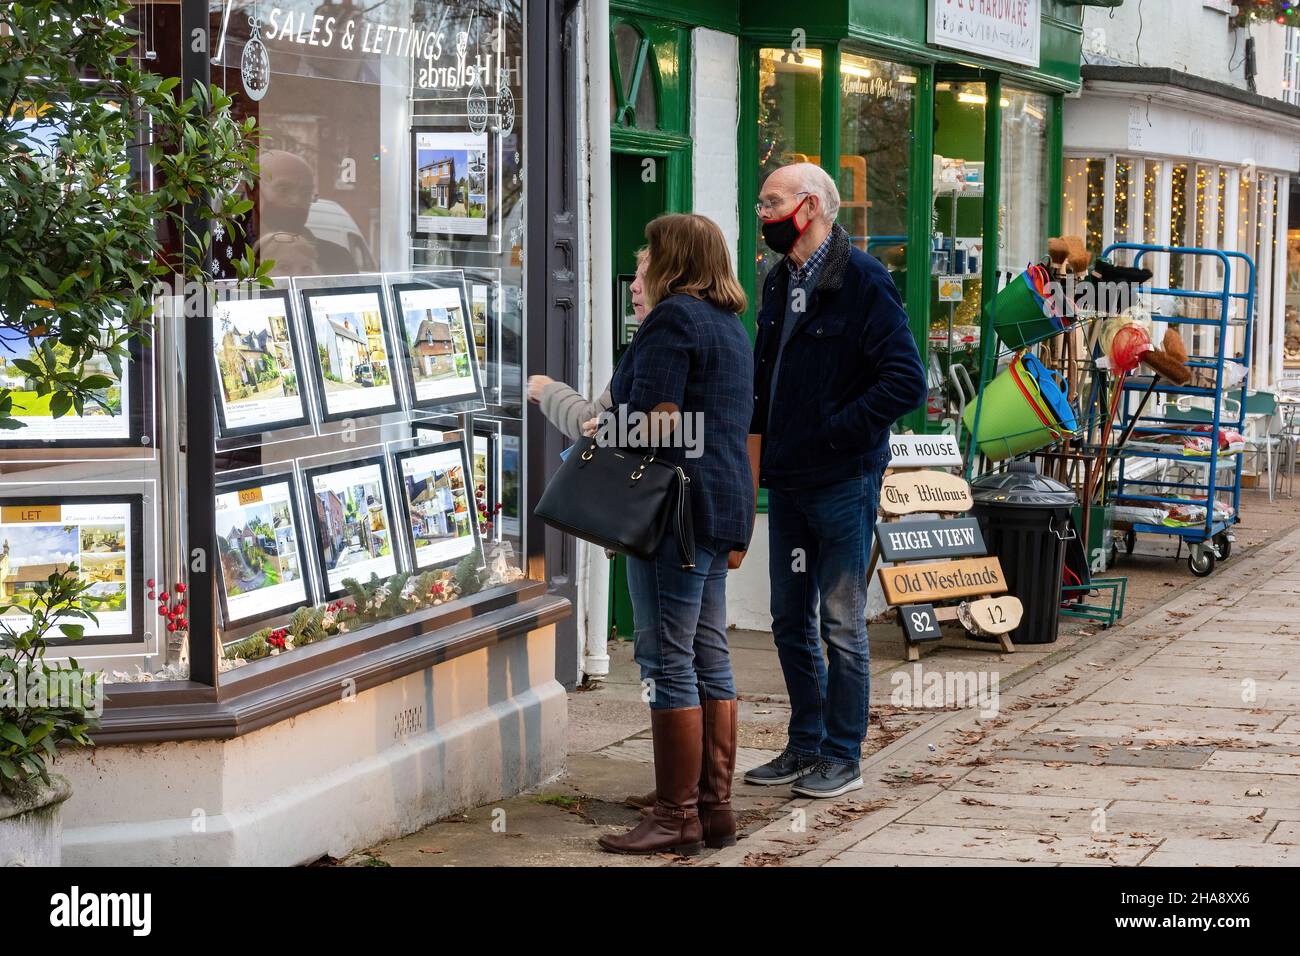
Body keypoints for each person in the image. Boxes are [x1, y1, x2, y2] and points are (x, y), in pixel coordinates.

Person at [742, 162, 927, 799]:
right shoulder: (775, 281)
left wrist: (834, 429)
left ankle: (843, 755)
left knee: (841, 624)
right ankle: (805, 744)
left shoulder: (865, 281)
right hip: (788, 482)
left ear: (813, 206)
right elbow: (764, 386)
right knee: (789, 618)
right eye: (761, 202)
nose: (762, 214)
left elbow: (906, 381)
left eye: (772, 202)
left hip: (842, 480)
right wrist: (756, 465)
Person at [589, 214, 755, 855]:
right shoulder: (729, 324)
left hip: (673, 515)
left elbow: (658, 426)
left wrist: (599, 425)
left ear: (672, 261)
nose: (638, 275)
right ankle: (714, 808)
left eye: (644, 261)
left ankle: (674, 814)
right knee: (708, 651)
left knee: (666, 658)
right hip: (719, 507)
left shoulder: (673, 320)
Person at [526, 247, 650, 436]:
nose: (634, 286)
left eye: (646, 278)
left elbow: (590, 424)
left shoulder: (655, 349)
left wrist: (547, 391)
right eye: (636, 277)